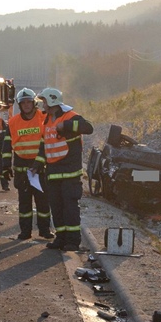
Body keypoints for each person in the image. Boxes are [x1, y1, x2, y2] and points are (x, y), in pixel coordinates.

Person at [33, 88, 93, 251]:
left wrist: (66, 125)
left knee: (70, 207)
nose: (42, 104)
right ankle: (61, 238)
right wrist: (38, 163)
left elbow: (88, 128)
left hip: (69, 173)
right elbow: (44, 144)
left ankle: (73, 241)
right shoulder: (47, 120)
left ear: (52, 101)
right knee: (56, 207)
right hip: (53, 173)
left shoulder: (70, 116)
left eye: (44, 101)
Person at [2, 88, 53, 240]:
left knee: (43, 203)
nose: (26, 105)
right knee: (24, 204)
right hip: (21, 169)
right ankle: (25, 232)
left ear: (34, 103)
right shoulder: (12, 122)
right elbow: (6, 146)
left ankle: (44, 230)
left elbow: (48, 142)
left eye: (28, 102)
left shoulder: (44, 118)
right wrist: (5, 166)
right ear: (19, 104)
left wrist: (39, 162)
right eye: (23, 103)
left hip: (40, 168)